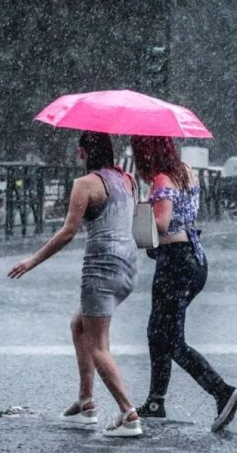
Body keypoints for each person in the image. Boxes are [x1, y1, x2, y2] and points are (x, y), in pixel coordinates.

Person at [8, 131, 142, 437]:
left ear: (83, 152)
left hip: (101, 268)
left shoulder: (85, 185)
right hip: (128, 267)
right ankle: (86, 403)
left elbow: (68, 232)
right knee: (79, 325)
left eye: (77, 151)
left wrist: (31, 261)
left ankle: (128, 413)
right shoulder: (129, 181)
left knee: (98, 345)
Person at [130, 135, 237, 433]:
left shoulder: (162, 179)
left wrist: (137, 217)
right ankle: (155, 402)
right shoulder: (185, 170)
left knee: (171, 339)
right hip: (194, 260)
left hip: (175, 263)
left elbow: (163, 222)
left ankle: (222, 391)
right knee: (158, 331)